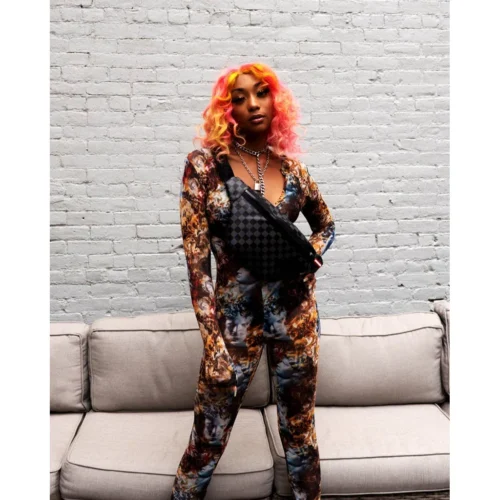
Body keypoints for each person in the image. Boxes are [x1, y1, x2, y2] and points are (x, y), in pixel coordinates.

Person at [172, 62, 336, 500]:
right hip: (234, 326)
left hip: (296, 318)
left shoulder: (292, 170)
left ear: (276, 101)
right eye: (239, 97)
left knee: (300, 434)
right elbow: (197, 269)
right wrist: (213, 344)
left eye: (261, 92)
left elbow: (326, 224)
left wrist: (313, 252)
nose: (253, 104)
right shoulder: (204, 167)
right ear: (227, 110)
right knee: (207, 437)